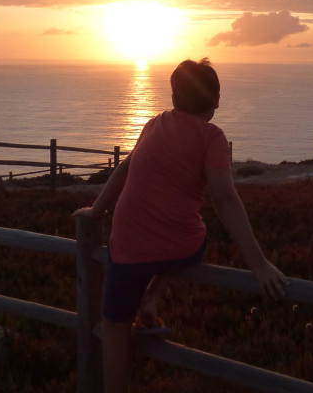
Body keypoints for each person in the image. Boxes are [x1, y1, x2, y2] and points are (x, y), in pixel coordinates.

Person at [73, 58, 288, 393]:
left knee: (114, 327)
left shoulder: (153, 124)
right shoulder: (212, 137)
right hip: (177, 248)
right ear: (216, 100)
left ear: (173, 96)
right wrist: (258, 265)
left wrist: (97, 209)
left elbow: (124, 170)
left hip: (127, 246)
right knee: (197, 235)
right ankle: (152, 298)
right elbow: (225, 199)